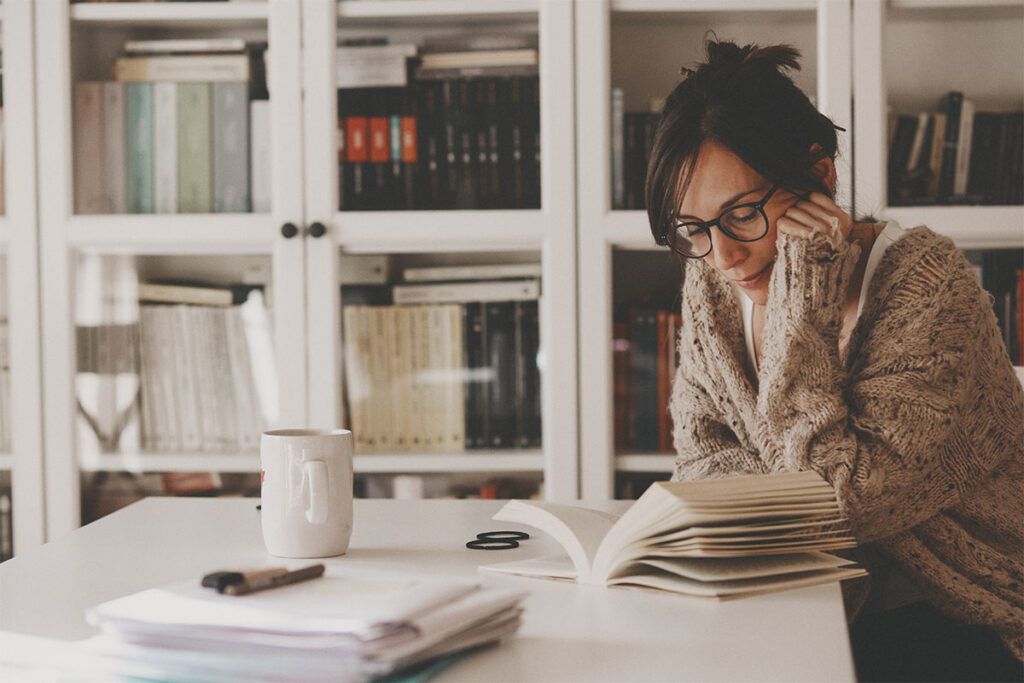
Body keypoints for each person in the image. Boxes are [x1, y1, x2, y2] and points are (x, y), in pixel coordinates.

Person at [644, 39, 1024, 681]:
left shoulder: (929, 286)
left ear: (821, 178)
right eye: (693, 228)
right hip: (797, 596)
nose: (724, 256)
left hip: (957, 611)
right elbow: (701, 455)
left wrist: (803, 299)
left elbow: (843, 502)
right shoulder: (714, 275)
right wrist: (777, 490)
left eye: (741, 213)